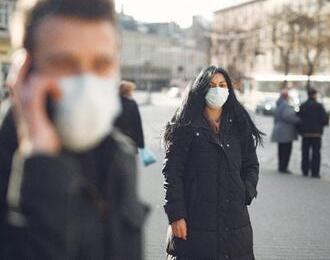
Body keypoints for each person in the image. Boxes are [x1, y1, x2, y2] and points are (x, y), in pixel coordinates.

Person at [0, 0, 147, 260]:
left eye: (101, 64)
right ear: (24, 72)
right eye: (65, 64)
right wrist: (41, 166)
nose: (86, 82)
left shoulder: (117, 157)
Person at [162, 66, 263, 260]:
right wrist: (176, 215)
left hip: (235, 223)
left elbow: (251, 165)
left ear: (228, 89)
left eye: (222, 85)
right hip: (195, 220)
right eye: (211, 85)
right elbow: (172, 173)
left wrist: (246, 191)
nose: (217, 90)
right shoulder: (185, 125)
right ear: (201, 90)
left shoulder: (239, 124)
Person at [298, 88, 329, 178]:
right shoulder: (319, 106)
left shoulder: (303, 106)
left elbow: (298, 119)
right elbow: (325, 119)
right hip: (316, 134)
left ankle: (305, 171)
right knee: (316, 153)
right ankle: (315, 172)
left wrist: (301, 131)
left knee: (305, 153)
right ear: (314, 95)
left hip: (305, 134)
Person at [271, 90, 300, 174]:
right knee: (286, 150)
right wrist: (298, 120)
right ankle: (284, 168)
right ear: (286, 96)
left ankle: (281, 166)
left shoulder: (278, 105)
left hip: (279, 129)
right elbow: (288, 117)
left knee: (281, 150)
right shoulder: (286, 105)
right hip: (286, 132)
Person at [115, 80, 145, 150]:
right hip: (130, 139)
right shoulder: (131, 103)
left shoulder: (113, 102)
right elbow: (137, 124)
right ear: (128, 91)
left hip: (115, 139)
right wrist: (141, 144)